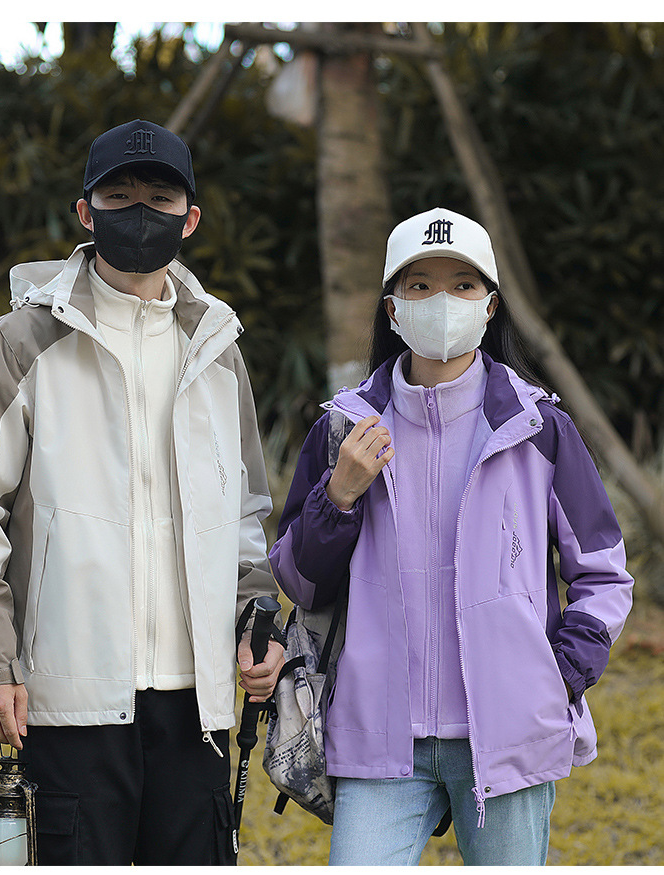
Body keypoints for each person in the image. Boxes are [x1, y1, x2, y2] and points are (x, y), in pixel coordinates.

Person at [0, 118, 284, 866]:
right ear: (86, 213)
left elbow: (246, 518)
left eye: (160, 198)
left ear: (190, 218)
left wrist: (258, 621)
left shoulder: (217, 349)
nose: (139, 213)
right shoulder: (21, 342)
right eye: (118, 197)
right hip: (70, 697)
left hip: (195, 705)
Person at [268, 207, 633, 866]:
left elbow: (603, 572)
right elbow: (299, 581)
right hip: (379, 738)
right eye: (421, 285)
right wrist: (338, 495)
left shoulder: (538, 429)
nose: (443, 301)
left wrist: (557, 676)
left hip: (508, 731)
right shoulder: (344, 429)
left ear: (490, 306)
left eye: (463, 285)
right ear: (392, 308)